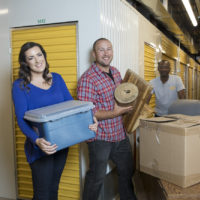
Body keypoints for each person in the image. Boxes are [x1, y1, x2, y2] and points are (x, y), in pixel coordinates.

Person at [12, 42, 97, 200]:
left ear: (44, 56)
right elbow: (21, 120)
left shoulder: (56, 78)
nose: (37, 60)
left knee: (53, 190)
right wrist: (36, 141)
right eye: (31, 58)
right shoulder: (20, 86)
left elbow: (72, 108)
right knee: (42, 194)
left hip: (61, 144)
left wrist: (91, 119)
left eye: (39, 55)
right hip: (39, 148)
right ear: (25, 63)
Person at [77, 38, 137, 200]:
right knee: (96, 178)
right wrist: (115, 112)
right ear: (94, 54)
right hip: (100, 138)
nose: (106, 53)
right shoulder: (88, 79)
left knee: (127, 170)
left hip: (119, 134)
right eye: (101, 50)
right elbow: (89, 112)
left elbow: (122, 97)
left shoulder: (116, 72)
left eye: (108, 49)